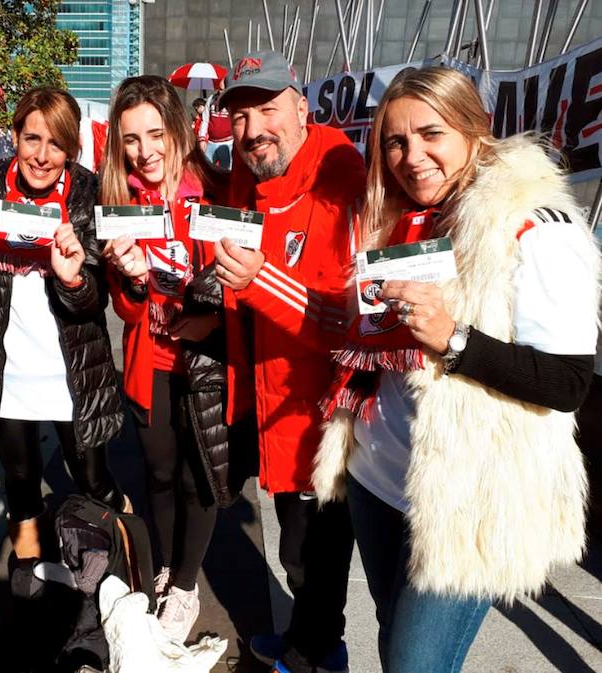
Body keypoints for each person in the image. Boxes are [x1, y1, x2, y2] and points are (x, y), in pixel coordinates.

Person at [314, 66, 599, 673]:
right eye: (394, 141)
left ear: (475, 130)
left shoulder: (536, 226)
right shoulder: (398, 214)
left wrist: (455, 339)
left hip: (466, 501)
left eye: (430, 134)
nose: (411, 156)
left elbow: (569, 383)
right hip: (377, 477)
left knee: (417, 665)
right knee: (395, 644)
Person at [214, 50, 366, 673]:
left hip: (327, 413)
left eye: (267, 110)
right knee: (295, 546)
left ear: (302, 108)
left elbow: (348, 321)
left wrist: (256, 282)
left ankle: (317, 654)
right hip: (270, 399)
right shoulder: (244, 178)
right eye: (241, 117)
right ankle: (307, 637)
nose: (253, 131)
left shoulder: (341, 177)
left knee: (316, 555)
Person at [99, 75, 255, 644]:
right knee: (159, 473)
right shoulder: (121, 206)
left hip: (209, 361)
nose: (144, 152)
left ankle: (186, 588)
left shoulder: (217, 191)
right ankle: (166, 566)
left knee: (199, 479)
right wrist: (133, 280)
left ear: (180, 132)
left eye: (154, 134)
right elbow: (127, 310)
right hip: (151, 360)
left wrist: (213, 316)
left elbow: (247, 281)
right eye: (131, 140)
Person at [0, 87, 126, 565]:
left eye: (56, 144)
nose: (42, 157)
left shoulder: (88, 193)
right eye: (31, 139)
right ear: (16, 135)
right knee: (21, 485)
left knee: (94, 481)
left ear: (72, 148)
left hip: (75, 372)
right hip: (7, 376)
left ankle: (127, 560)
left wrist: (73, 280)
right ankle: (29, 585)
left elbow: (96, 298)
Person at [197, 92, 233, 170]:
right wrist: (202, 139)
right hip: (211, 143)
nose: (220, 91)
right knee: (206, 171)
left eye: (222, 89)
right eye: (219, 89)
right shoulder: (211, 99)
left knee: (226, 173)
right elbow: (205, 120)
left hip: (227, 144)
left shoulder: (233, 100)